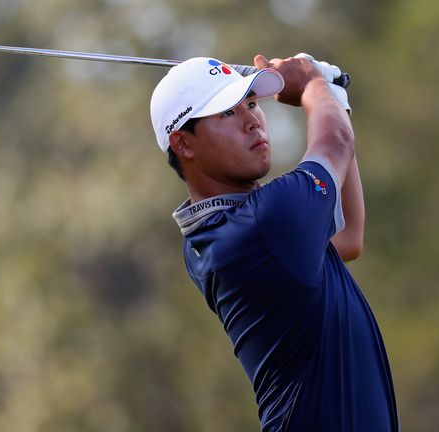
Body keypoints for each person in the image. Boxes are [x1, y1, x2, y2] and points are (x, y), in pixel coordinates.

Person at [150, 54, 399, 431]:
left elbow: (347, 236)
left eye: (250, 104)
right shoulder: (263, 224)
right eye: (226, 114)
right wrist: (314, 82)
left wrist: (332, 95)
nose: (252, 121)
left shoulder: (214, 235)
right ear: (183, 144)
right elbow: (336, 140)